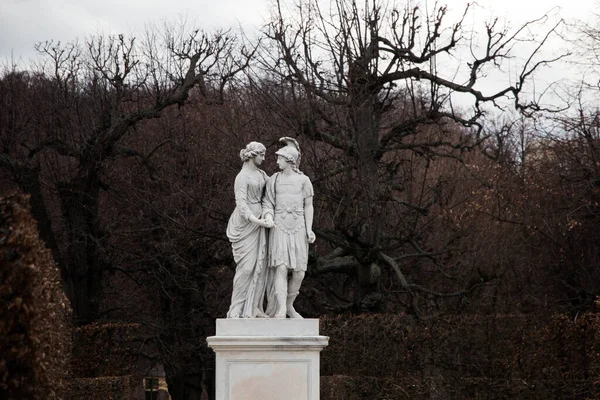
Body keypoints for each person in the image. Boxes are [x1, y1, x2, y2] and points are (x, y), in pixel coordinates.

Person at [263, 138, 315, 318]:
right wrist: (268, 216)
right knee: (281, 268)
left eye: (280, 158)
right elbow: (267, 203)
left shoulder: (304, 180)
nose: (277, 161)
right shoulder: (274, 180)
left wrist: (309, 229)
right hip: (279, 227)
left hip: (299, 227)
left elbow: (308, 206)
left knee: (299, 272)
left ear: (289, 160)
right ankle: (281, 309)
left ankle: (289, 304)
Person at [226, 141, 273, 318]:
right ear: (253, 155)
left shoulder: (262, 175)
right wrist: (258, 221)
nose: (264, 158)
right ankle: (236, 307)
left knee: (260, 266)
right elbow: (241, 205)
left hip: (260, 221)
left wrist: (293, 168)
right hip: (246, 224)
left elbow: (274, 188)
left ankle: (254, 307)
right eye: (261, 154)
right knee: (246, 267)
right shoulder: (242, 177)